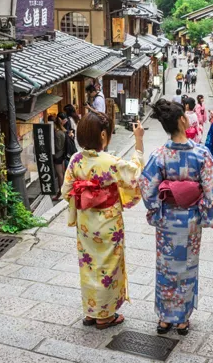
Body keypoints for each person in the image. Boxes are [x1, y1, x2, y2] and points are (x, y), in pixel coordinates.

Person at [140, 100, 213, 336]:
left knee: (166, 267)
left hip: (167, 221)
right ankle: (183, 319)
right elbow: (210, 187)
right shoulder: (201, 154)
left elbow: (148, 188)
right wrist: (201, 209)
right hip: (191, 222)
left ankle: (165, 318)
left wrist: (157, 209)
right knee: (187, 267)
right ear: (183, 121)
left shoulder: (160, 155)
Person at [61, 112, 145, 329]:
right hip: (108, 223)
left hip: (86, 222)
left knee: (89, 265)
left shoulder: (75, 160)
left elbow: (66, 191)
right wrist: (138, 140)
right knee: (108, 265)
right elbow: (134, 174)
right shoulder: (111, 162)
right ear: (102, 135)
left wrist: (85, 196)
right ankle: (105, 316)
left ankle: (91, 311)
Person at [52, 113, 68, 201]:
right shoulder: (64, 131)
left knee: (60, 174)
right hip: (62, 155)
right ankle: (62, 192)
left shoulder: (58, 133)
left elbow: (58, 147)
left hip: (58, 156)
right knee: (62, 173)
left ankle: (61, 193)